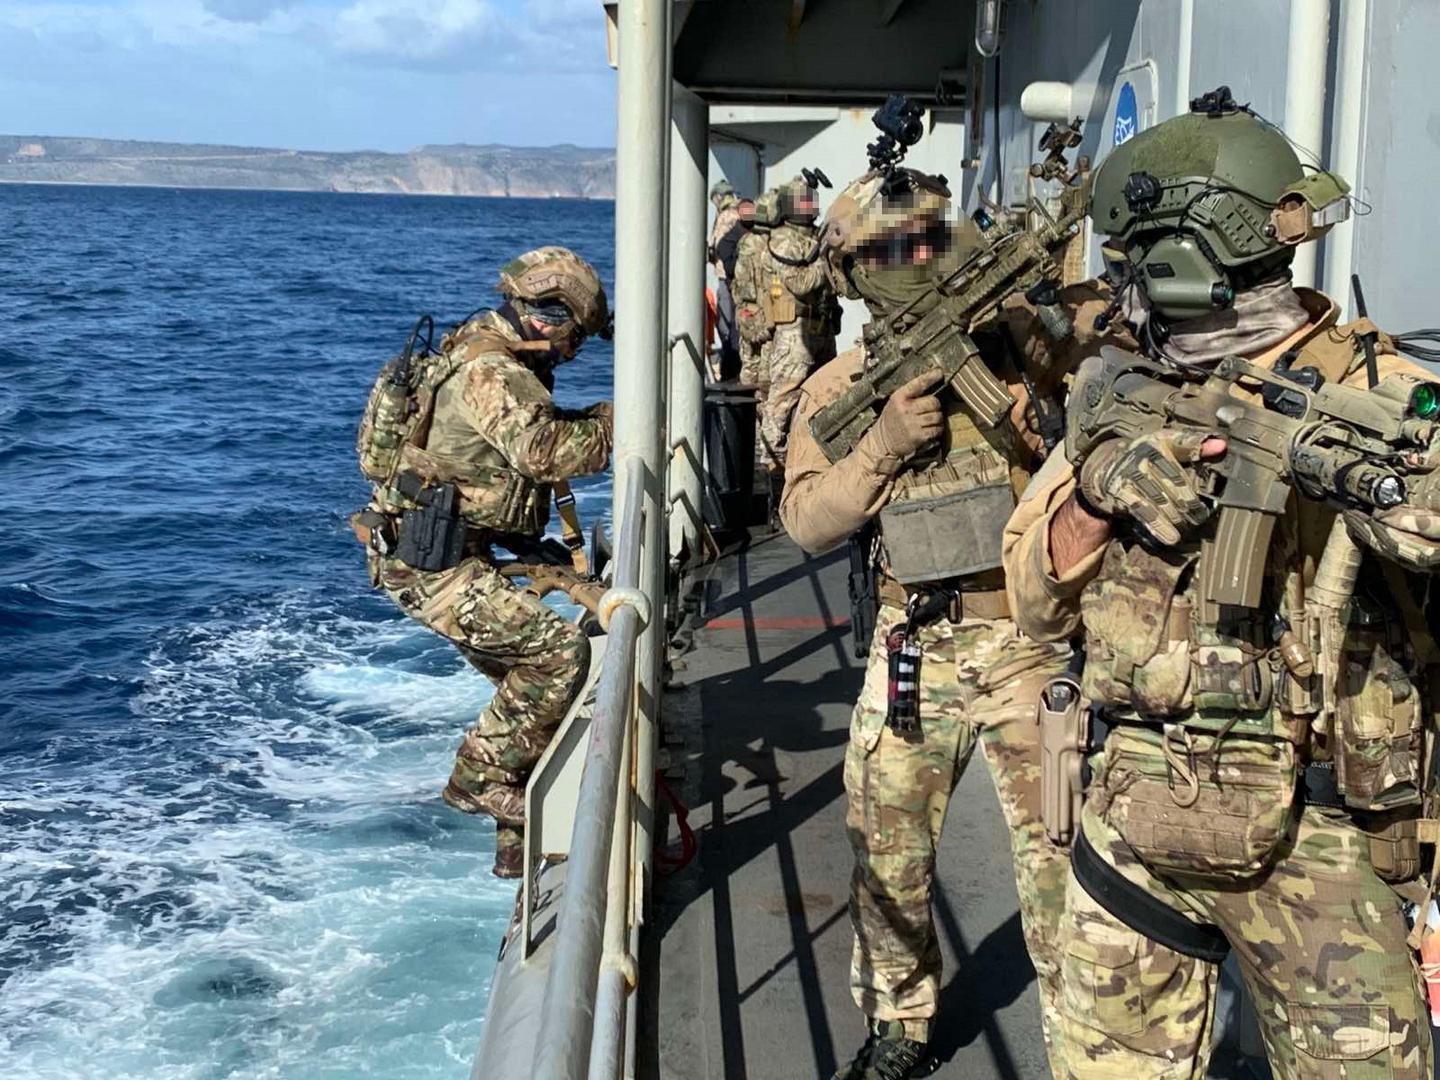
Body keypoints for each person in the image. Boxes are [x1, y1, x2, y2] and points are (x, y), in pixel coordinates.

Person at [1003, 90, 1440, 1077]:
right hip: (1135, 804)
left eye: (1132, 263)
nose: (1121, 287)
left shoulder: (1377, 388)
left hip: (1322, 837)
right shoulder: (1127, 386)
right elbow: (1031, 601)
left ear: (1184, 257)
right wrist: (1101, 496)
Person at [782, 167, 1125, 1078]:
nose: (918, 264)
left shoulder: (1017, 339)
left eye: (929, 245)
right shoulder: (842, 386)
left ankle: (1082, 1045)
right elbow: (807, 521)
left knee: (1061, 851)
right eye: (897, 253)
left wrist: (1047, 404)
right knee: (886, 852)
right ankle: (899, 1023)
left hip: (1031, 643)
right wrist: (884, 446)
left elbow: (1111, 354)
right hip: (914, 642)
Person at [354, 246, 614, 880]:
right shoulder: (492, 370)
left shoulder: (479, 347)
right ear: (549, 318)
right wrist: (625, 423)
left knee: (532, 703)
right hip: (432, 568)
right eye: (576, 338)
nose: (572, 353)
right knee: (558, 657)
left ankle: (516, 858)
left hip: (445, 550)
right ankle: (476, 779)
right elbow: (543, 449)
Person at [758, 176, 839, 472]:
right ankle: (773, 467)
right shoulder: (783, 240)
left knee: (826, 393)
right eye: (804, 201)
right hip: (796, 333)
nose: (810, 206)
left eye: (811, 200)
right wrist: (826, 262)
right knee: (782, 401)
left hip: (822, 328)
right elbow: (800, 282)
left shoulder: (814, 237)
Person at [708, 179, 743, 379]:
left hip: (726, 276)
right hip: (737, 276)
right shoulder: (737, 212)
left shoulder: (726, 216)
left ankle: (731, 363)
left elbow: (717, 244)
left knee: (726, 323)